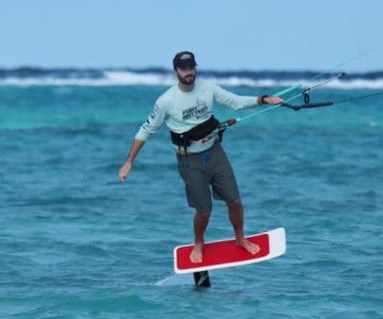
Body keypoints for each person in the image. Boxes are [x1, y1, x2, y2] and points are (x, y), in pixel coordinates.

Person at [119, 51, 283, 264]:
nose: (189, 72)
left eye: (191, 67)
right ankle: (198, 242)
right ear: (175, 71)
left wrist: (264, 99)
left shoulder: (208, 89)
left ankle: (240, 239)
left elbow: (236, 102)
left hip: (214, 152)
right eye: (184, 68)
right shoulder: (166, 101)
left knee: (234, 200)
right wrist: (129, 161)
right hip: (189, 162)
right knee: (204, 210)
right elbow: (145, 131)